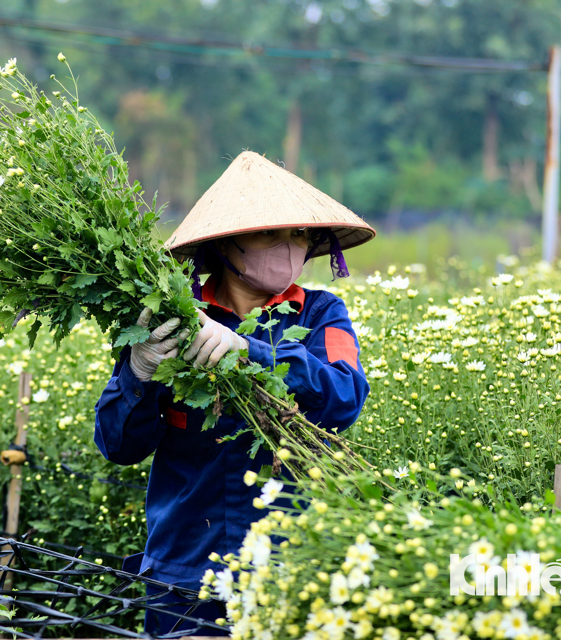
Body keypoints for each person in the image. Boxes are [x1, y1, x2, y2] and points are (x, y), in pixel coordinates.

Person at [93, 150, 375, 636]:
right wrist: (138, 372)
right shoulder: (173, 320)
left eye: (298, 233)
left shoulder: (320, 314)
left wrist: (251, 352)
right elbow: (119, 445)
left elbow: (344, 397)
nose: (288, 246)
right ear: (225, 242)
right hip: (185, 572)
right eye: (269, 233)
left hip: (292, 568)